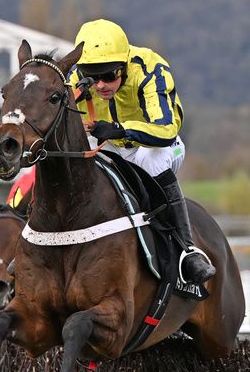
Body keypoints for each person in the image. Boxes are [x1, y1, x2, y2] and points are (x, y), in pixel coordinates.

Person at [67, 19, 215, 284]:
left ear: (124, 65)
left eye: (109, 76)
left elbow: (166, 129)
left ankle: (188, 250)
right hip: (109, 146)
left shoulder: (150, 69)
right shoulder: (76, 78)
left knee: (151, 159)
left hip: (157, 145)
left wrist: (119, 130)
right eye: (93, 77)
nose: (100, 86)